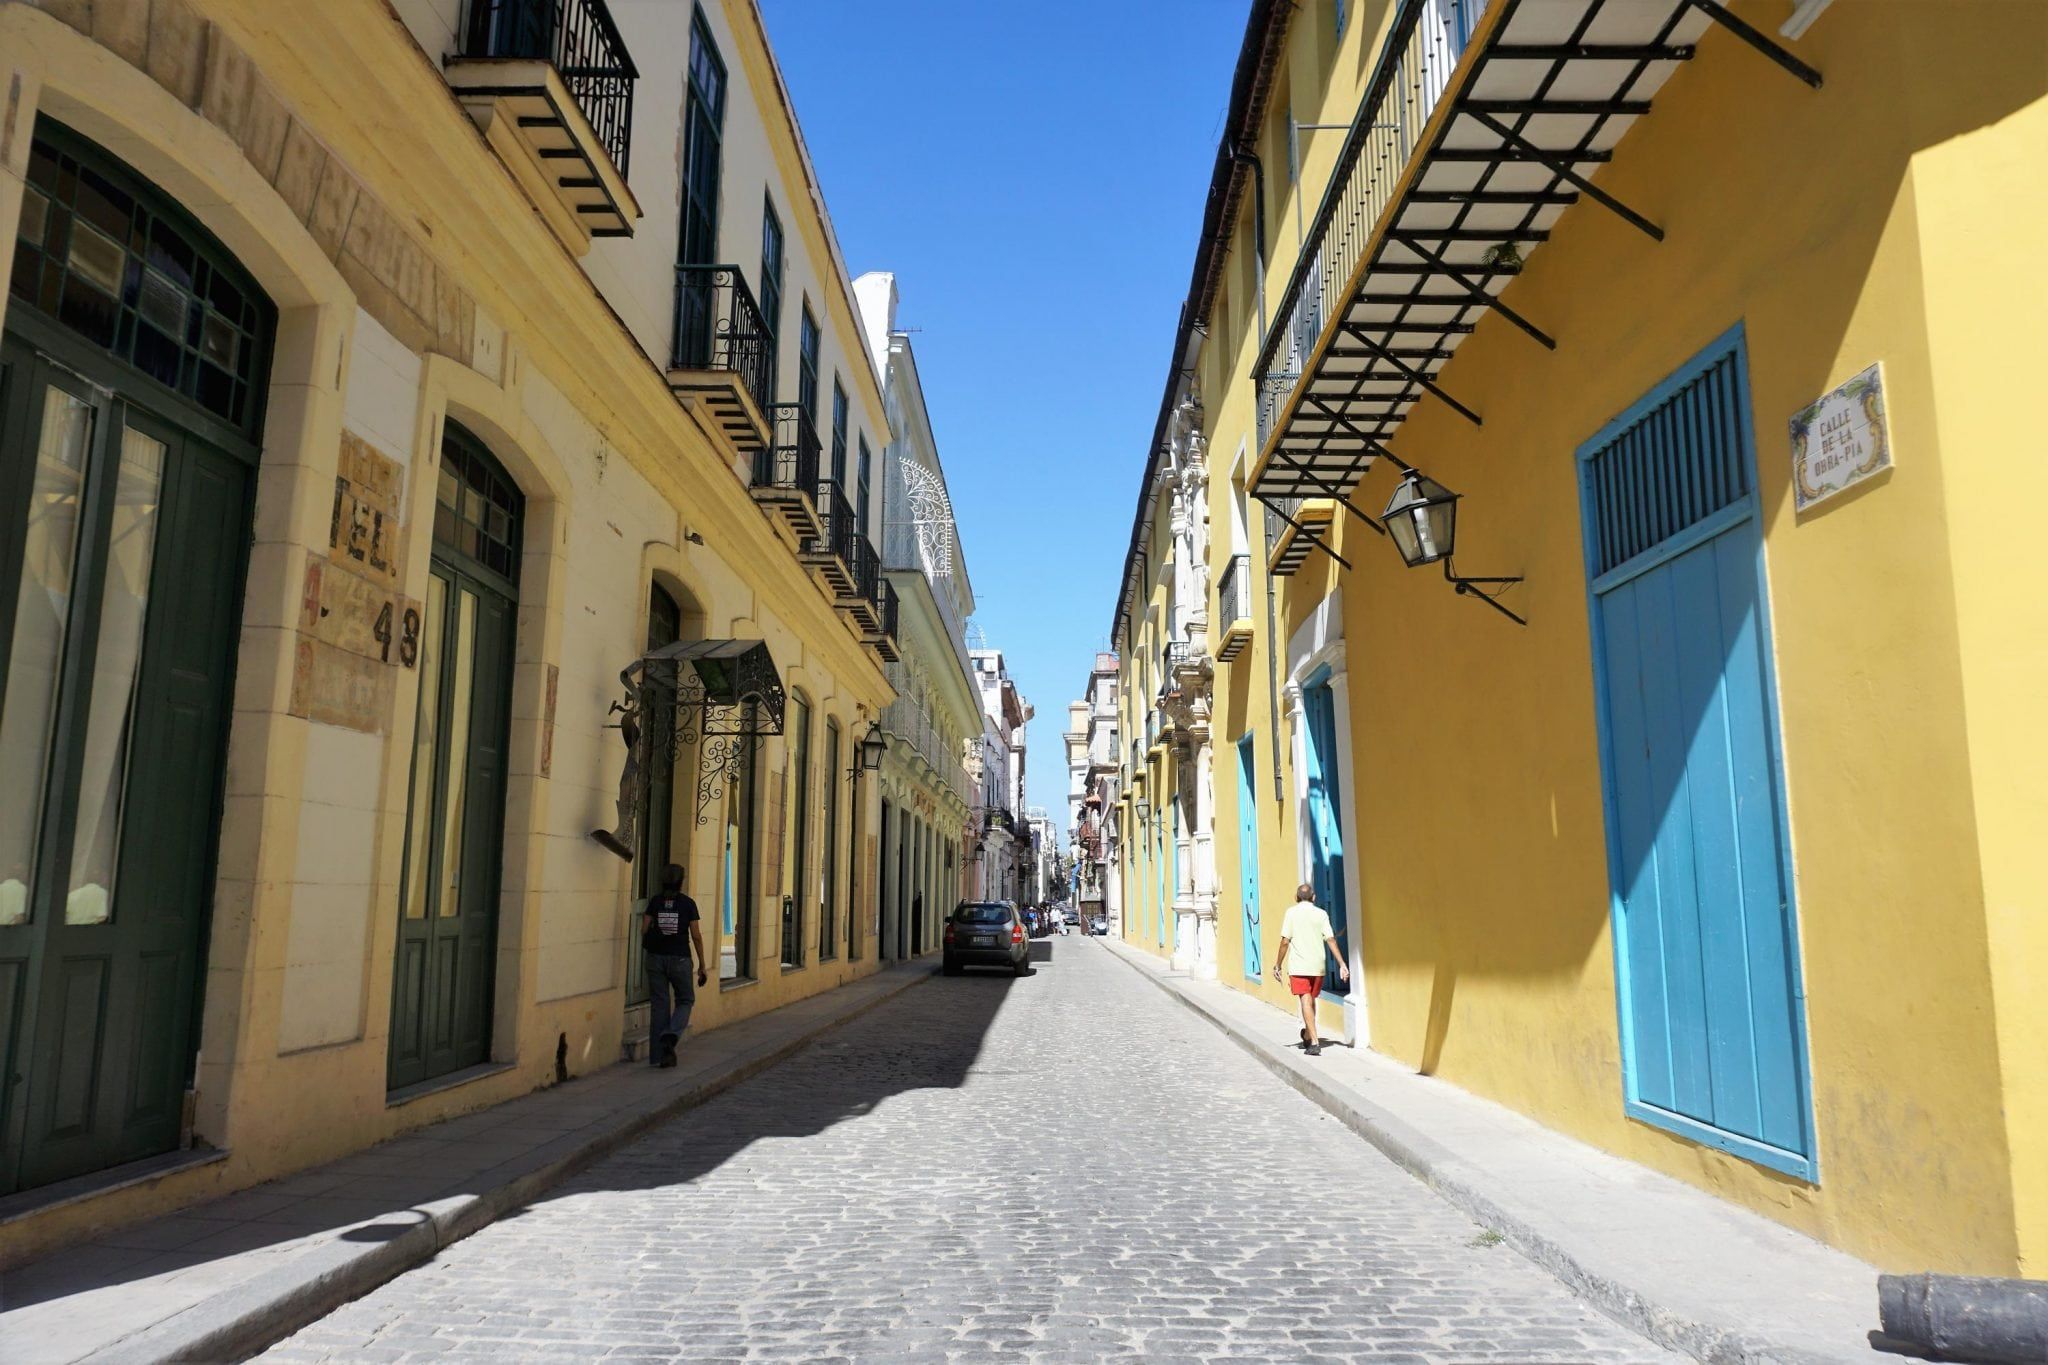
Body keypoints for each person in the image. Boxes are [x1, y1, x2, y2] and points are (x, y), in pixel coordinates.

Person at [641, 863, 706, 1069]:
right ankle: (671, 1034)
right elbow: (695, 935)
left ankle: (657, 1057)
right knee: (686, 999)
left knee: (659, 1004)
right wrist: (702, 965)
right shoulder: (688, 904)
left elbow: (644, 929)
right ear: (681, 882)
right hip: (680, 958)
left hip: (655, 958)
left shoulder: (655, 901)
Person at [1276, 883, 1348, 1056]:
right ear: (1314, 897)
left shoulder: (1291, 913)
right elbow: (1330, 939)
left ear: (1296, 897)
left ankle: (1314, 1042)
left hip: (1299, 966)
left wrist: (1277, 964)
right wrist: (1342, 964)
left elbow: (1285, 941)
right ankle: (1308, 1034)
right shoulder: (1321, 914)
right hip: (1318, 966)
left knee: (1306, 1001)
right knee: (1310, 1000)